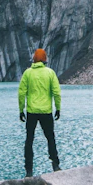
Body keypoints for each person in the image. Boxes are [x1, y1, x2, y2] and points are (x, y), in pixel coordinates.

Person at [18, 48, 61, 177]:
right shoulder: (50, 73)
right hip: (46, 111)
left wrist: (21, 110)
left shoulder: (27, 73)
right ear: (45, 59)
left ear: (34, 59)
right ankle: (55, 164)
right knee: (50, 138)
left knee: (29, 140)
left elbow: (21, 93)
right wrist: (58, 108)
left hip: (31, 111)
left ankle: (29, 170)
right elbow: (56, 92)